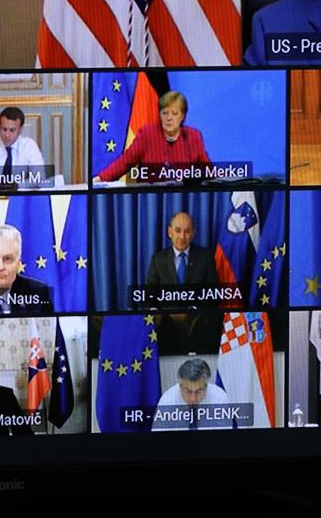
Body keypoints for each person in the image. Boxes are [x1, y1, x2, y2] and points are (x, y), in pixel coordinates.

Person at [144, 211, 223, 353]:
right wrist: (155, 314)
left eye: (187, 231)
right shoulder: (158, 259)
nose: (182, 236)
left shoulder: (205, 257)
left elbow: (214, 294)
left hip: (198, 326)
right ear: (170, 232)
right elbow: (150, 294)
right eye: (178, 231)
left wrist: (195, 311)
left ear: (193, 233)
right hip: (166, 328)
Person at [94, 91, 211, 183]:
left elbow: (208, 171)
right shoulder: (147, 134)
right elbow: (125, 161)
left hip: (183, 198)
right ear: (159, 114)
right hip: (151, 200)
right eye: (165, 113)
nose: (169, 118)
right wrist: (101, 178)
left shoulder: (193, 136)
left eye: (174, 113)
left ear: (183, 116)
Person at [153, 357, 230, 431]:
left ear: (206, 385)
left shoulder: (220, 398)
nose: (193, 398)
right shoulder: (167, 401)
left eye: (199, 391)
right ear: (180, 386)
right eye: (188, 391)